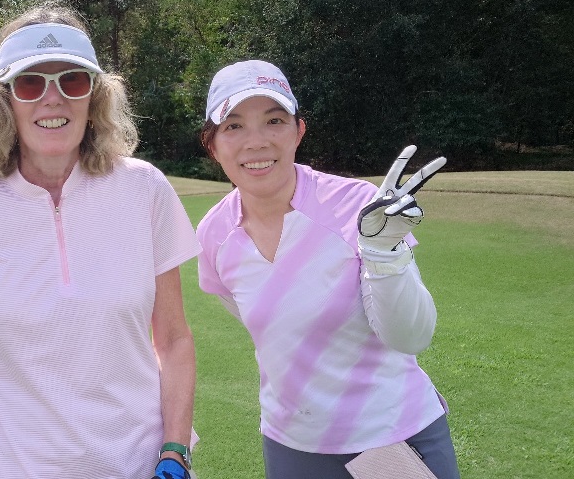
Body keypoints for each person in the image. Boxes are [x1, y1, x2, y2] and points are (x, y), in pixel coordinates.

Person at [0, 2, 201, 479]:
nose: (52, 100)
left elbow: (173, 339)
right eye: (31, 83)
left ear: (94, 97)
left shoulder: (145, 188)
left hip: (139, 464)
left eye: (72, 81)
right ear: (5, 102)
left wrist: (175, 451)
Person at [195, 59, 461, 479]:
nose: (256, 141)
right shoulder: (214, 233)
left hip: (390, 437)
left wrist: (384, 253)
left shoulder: (357, 205)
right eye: (234, 126)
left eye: (274, 120)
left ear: (299, 131)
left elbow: (412, 336)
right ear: (211, 144)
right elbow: (263, 323)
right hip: (292, 447)